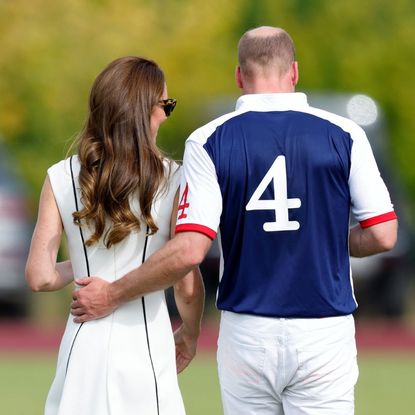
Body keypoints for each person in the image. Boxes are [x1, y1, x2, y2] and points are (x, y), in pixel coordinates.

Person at [71, 27, 398, 414]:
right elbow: (382, 235)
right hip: (323, 329)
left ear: (239, 77)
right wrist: (322, 236)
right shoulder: (346, 133)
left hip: (248, 330)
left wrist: (111, 294)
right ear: (294, 72)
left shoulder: (210, 139)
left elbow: (190, 249)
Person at [25, 56, 204, 415]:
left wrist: (83, 268)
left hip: (82, 345)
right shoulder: (177, 178)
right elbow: (185, 284)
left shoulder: (60, 176)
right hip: (146, 347)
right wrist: (192, 331)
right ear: (145, 111)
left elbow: (39, 277)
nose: (167, 114)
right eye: (166, 105)